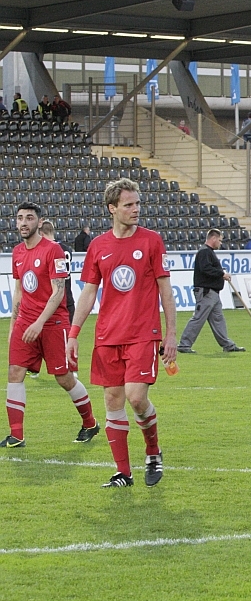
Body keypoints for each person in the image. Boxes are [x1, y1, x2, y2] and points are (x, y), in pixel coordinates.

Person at [67, 180, 177, 488]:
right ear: (112, 208)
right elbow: (89, 292)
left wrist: (170, 334)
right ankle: (123, 473)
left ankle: (153, 452)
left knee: (136, 398)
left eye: (137, 203)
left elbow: (166, 291)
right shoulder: (98, 246)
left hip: (143, 333)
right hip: (107, 336)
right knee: (112, 399)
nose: (136, 209)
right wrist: (73, 334)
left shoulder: (152, 241)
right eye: (129, 205)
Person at [3, 203, 99, 448]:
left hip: (53, 323)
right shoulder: (17, 252)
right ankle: (16, 435)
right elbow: (19, 291)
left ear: (39, 222)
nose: (23, 223)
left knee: (63, 378)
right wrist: (14, 325)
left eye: (29, 218)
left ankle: (90, 423)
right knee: (15, 372)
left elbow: (58, 292)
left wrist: (39, 323)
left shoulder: (53, 250)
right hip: (25, 322)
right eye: (20, 218)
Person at [177, 229, 246, 355]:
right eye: (219, 240)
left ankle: (227, 345)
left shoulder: (208, 252)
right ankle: (184, 344)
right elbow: (206, 269)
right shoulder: (204, 252)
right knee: (198, 318)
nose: (220, 243)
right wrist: (221, 274)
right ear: (213, 238)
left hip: (212, 293)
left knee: (218, 319)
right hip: (206, 292)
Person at [38, 220, 75, 323]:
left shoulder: (48, 250)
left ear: (41, 233)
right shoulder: (67, 249)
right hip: (68, 298)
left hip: (53, 301)